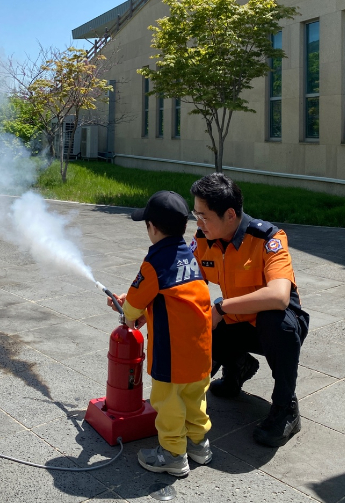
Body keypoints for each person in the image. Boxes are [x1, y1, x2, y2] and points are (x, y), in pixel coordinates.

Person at [190, 172, 310, 447]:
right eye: (195, 214)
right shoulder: (204, 240)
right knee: (198, 322)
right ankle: (237, 369)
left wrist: (221, 307)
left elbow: (279, 296)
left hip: (279, 325)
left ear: (230, 215)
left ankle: (285, 408)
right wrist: (138, 297)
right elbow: (180, 279)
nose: (198, 223)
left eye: (204, 216)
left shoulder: (268, 238)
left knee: (275, 323)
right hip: (239, 321)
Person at [108, 190, 212, 477]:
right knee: (195, 398)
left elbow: (132, 307)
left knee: (167, 404)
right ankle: (200, 445)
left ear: (152, 228)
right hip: (201, 352)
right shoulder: (190, 256)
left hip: (171, 354)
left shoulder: (153, 262)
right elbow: (172, 296)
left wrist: (126, 307)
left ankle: (173, 454)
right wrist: (138, 305)